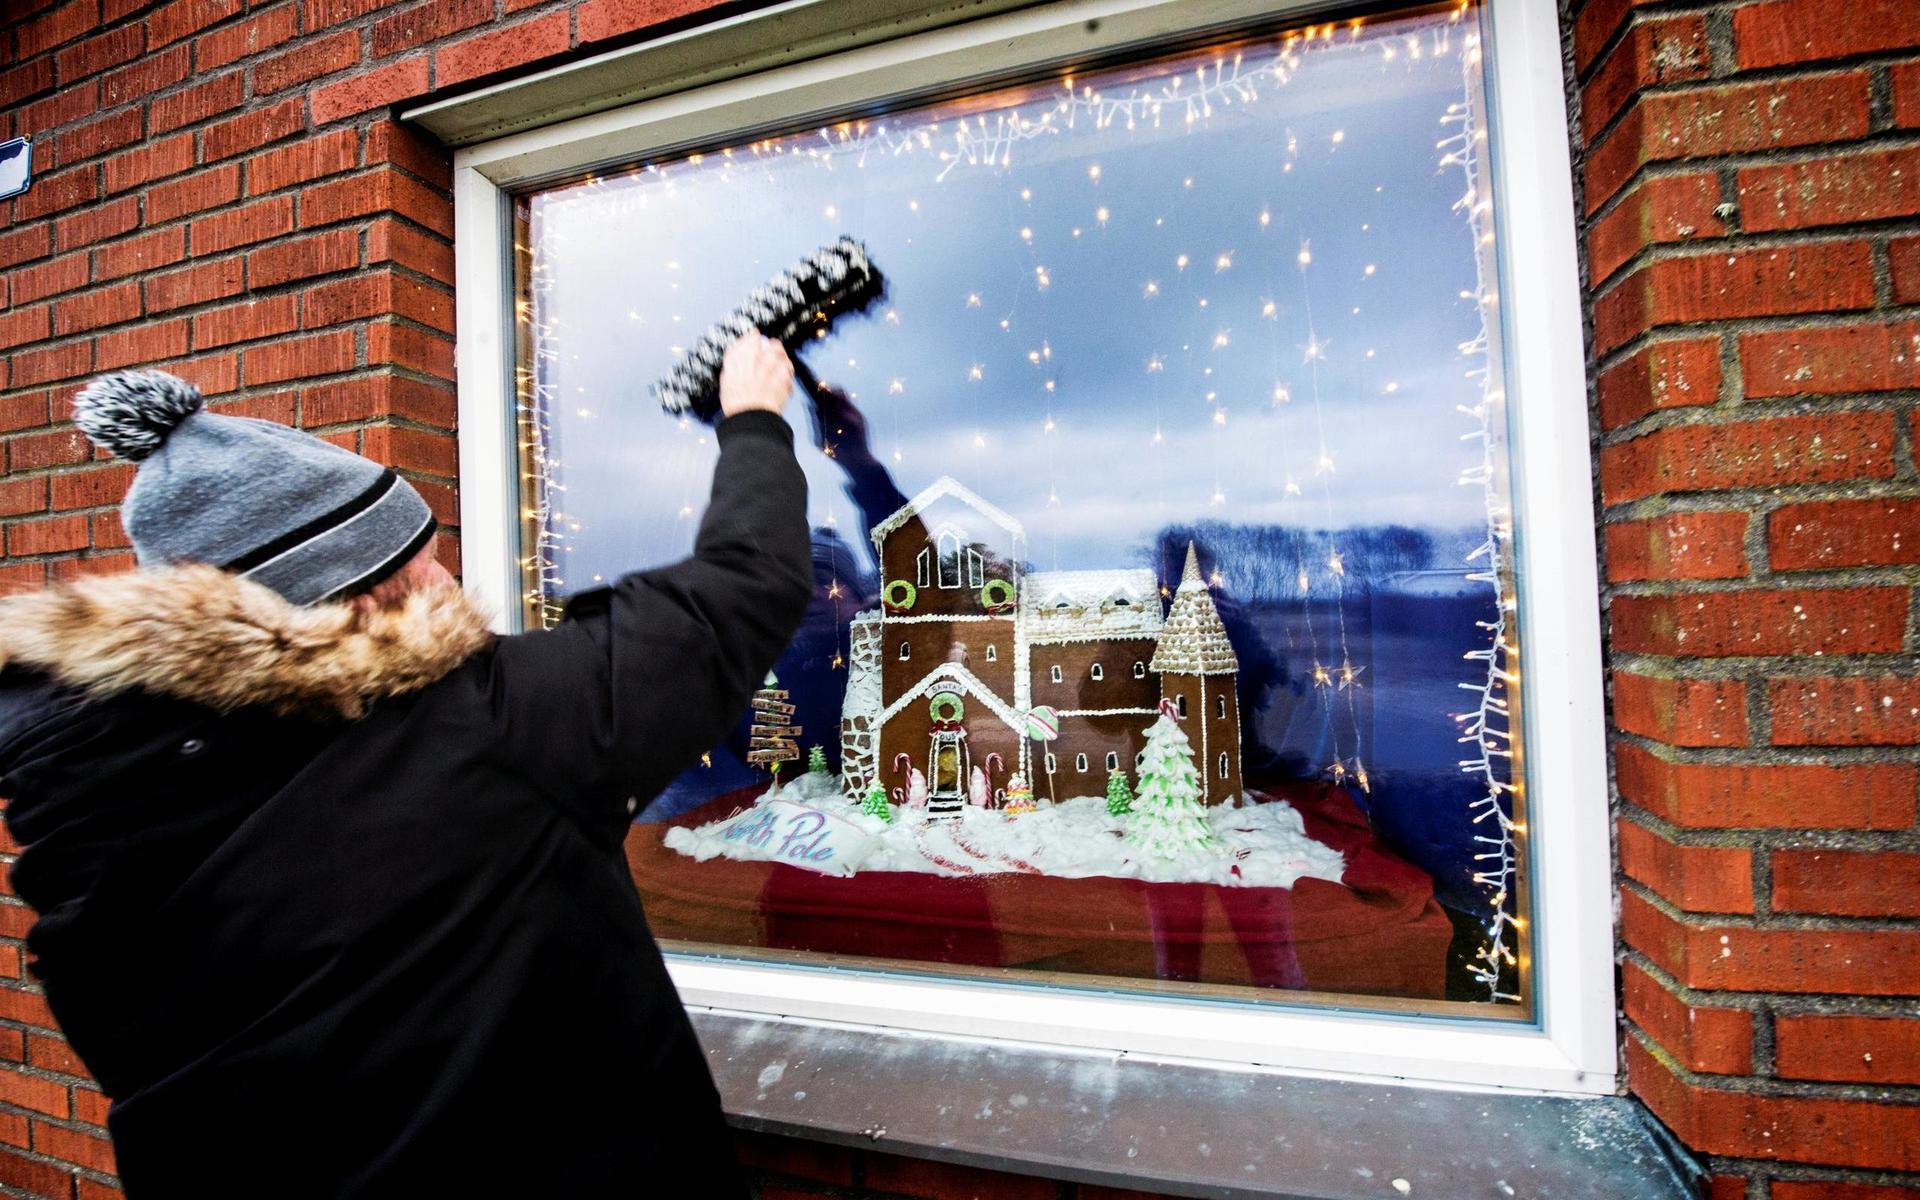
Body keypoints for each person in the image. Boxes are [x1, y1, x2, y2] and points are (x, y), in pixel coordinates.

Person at [0, 335, 809, 1197]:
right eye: (420, 561)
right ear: (352, 598)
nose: (448, 571)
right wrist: (753, 421)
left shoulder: (87, 806)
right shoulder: (484, 726)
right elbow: (737, 593)